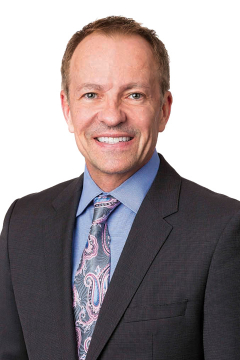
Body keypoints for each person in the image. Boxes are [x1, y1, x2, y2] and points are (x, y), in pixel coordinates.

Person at [0, 15, 239, 360]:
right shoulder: (23, 222)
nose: (111, 116)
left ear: (163, 110)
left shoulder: (223, 228)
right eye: (91, 94)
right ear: (67, 109)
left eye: (135, 94)